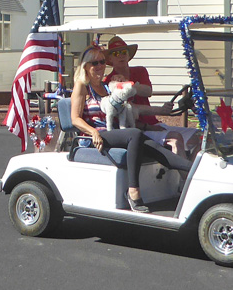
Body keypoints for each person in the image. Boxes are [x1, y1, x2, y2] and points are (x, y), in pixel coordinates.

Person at [70, 45, 190, 213]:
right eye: (94, 63)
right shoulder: (82, 86)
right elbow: (75, 119)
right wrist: (93, 132)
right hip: (97, 136)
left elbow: (130, 106)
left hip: (116, 133)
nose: (99, 66)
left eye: (102, 62)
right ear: (86, 66)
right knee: (135, 134)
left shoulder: (107, 87)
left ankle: (193, 170)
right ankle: (133, 191)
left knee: (152, 145)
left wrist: (122, 84)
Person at [104, 36, 200, 158]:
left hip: (154, 124)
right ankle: (186, 176)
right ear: (110, 58)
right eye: (116, 53)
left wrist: (127, 85)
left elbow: (147, 91)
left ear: (128, 55)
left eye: (123, 52)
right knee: (175, 139)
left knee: (202, 137)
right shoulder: (109, 82)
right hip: (136, 130)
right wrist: (150, 124)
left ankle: (191, 173)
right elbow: (127, 111)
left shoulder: (140, 71)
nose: (121, 56)